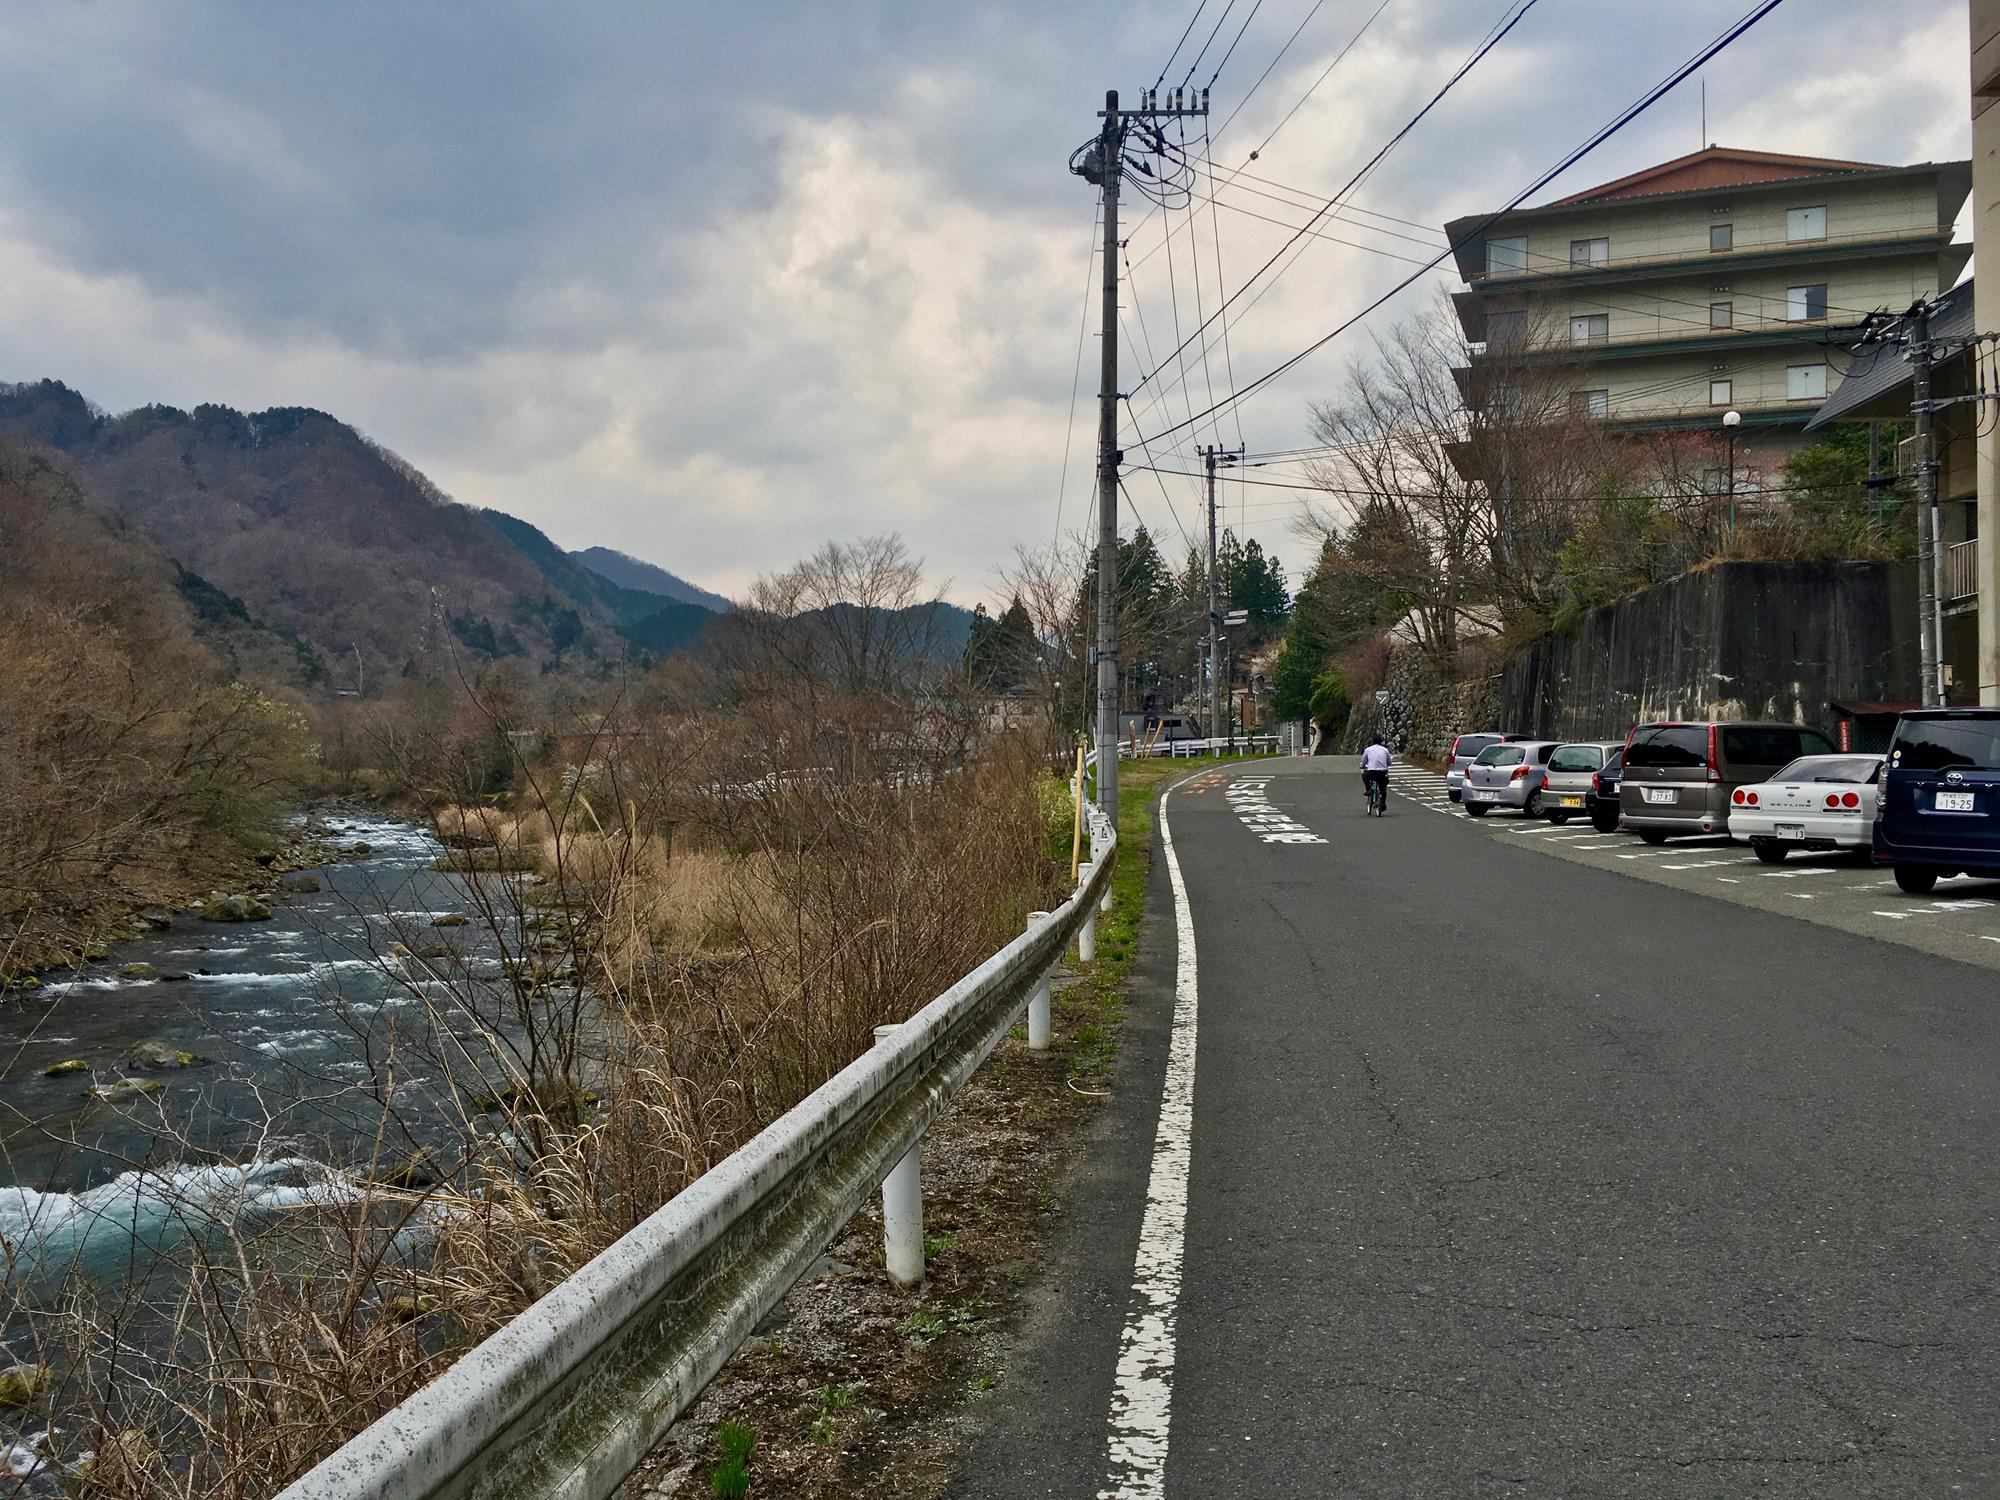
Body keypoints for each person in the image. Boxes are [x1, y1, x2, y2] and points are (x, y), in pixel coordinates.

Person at [1360, 734, 1391, 811]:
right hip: (1382, 773)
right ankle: (1382, 804)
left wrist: (1363, 766)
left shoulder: (1368, 750)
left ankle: (1368, 790)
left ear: (1372, 741)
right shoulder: (1385, 750)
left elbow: (1363, 761)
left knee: (1364, 775)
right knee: (1383, 789)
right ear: (1381, 742)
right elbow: (1389, 762)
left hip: (1371, 772)